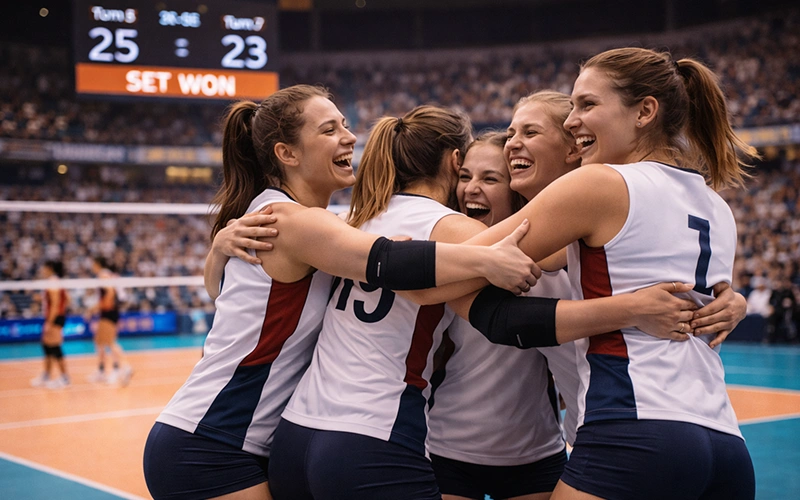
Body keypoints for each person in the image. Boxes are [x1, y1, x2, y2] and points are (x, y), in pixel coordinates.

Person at [265, 103, 718, 500]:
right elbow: (503, 318)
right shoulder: (463, 235)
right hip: (385, 434)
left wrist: (723, 293)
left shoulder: (349, 220)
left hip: (302, 430)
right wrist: (632, 308)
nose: (472, 189)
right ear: (453, 161)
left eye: (491, 177)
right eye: (465, 176)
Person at [144, 86, 538, 500]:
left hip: (265, 437)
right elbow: (389, 261)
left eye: (346, 126)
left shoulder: (326, 222)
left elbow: (218, 290)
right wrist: (487, 259)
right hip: (214, 439)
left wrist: (217, 250)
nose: (349, 137)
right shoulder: (297, 222)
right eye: (329, 130)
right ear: (287, 154)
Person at [460, 47, 757, 500]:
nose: (573, 121)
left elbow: (460, 266)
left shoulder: (599, 184)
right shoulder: (715, 205)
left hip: (634, 428)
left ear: (645, 112)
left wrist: (391, 252)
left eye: (587, 105)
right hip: (724, 442)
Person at [88, 256, 133, 386]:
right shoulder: (107, 275)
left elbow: (110, 292)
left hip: (109, 311)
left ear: (98, 264)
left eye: (93, 264)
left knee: (109, 341)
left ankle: (125, 366)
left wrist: (101, 306)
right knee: (99, 340)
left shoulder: (104, 275)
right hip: (108, 311)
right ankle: (102, 371)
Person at [30, 260, 71, 389]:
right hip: (55, 316)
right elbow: (67, 299)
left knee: (55, 347)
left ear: (49, 268)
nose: (42, 270)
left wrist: (49, 322)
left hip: (54, 318)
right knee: (47, 346)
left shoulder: (53, 282)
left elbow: (55, 304)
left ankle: (65, 378)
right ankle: (46, 375)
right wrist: (42, 299)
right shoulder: (56, 281)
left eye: (44, 268)